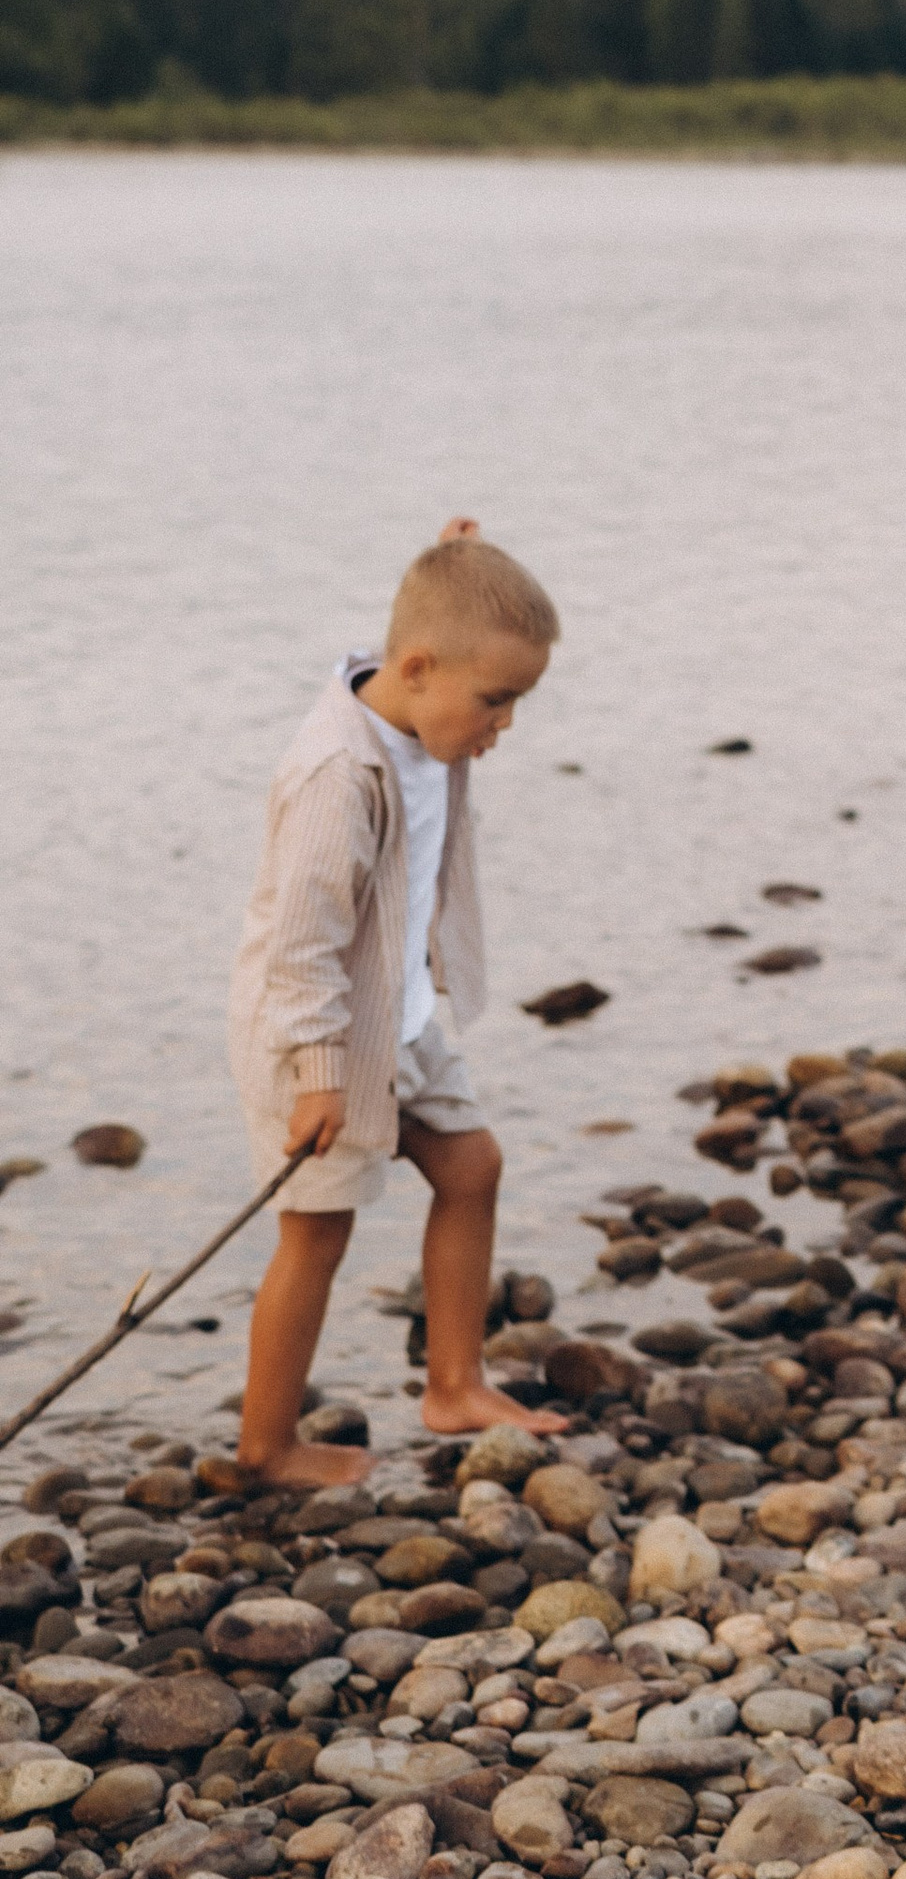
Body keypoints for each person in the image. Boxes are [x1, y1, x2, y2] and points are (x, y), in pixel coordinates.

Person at [226, 520, 570, 1489]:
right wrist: (319, 1077)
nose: (501, 726)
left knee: (471, 1166)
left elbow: (436, 624)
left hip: (399, 1013)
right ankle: (264, 1445)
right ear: (416, 670)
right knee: (317, 1229)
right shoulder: (337, 775)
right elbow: (301, 949)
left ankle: (452, 1384)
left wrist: (450, 556)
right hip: (314, 1032)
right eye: (496, 702)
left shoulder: (420, 701)